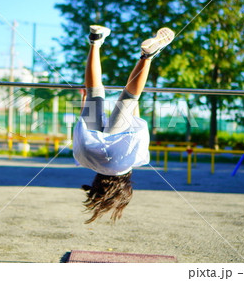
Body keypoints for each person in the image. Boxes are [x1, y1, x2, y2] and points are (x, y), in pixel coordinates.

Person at [73, 25, 175, 223]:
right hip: (87, 146)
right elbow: (79, 131)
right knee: (94, 91)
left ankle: (147, 57)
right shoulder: (85, 162)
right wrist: (84, 101)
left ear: (124, 186)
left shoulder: (127, 166)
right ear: (96, 184)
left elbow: (135, 128)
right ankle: (95, 40)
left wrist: (133, 106)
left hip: (119, 151)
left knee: (129, 97)